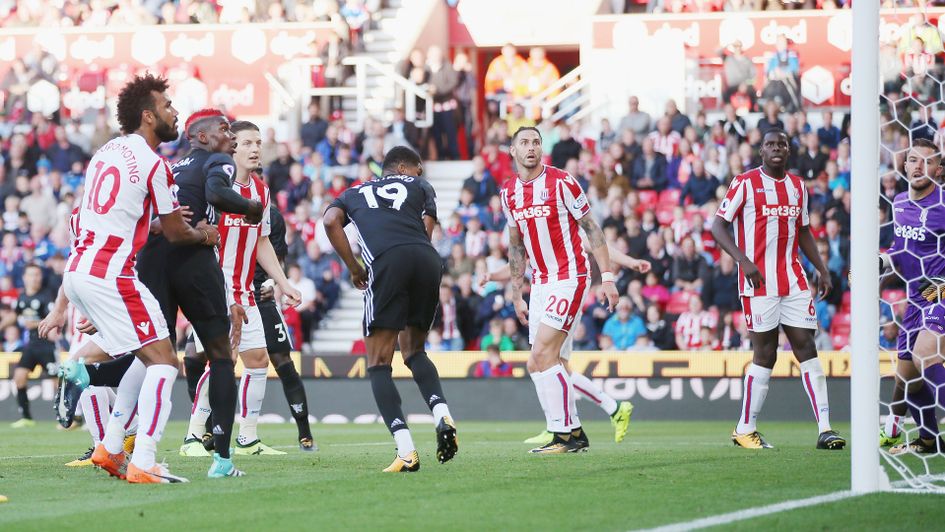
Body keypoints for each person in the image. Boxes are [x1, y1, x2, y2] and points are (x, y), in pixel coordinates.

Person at [59, 74, 219, 484]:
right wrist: (204, 233)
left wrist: (157, 222)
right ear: (148, 116)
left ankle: (110, 448)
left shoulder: (104, 152)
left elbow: (95, 216)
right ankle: (143, 460)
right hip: (112, 273)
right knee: (165, 360)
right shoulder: (155, 164)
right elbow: (180, 232)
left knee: (148, 354)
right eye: (167, 106)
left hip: (80, 269)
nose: (175, 112)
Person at [136, 107, 265, 478]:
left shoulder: (167, 167)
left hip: (152, 261)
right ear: (203, 137)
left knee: (149, 354)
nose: (232, 136)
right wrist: (250, 207)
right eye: (225, 130)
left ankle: (114, 428)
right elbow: (218, 193)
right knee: (221, 356)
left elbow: (143, 216)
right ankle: (222, 460)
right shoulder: (218, 160)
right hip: (193, 258)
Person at [323, 146, 458, 472]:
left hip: (387, 262)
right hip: (427, 260)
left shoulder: (353, 191)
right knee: (414, 351)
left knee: (379, 362)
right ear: (401, 167)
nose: (421, 175)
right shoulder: (421, 187)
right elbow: (427, 230)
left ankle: (406, 450)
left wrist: (354, 268)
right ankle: (442, 414)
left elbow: (330, 221)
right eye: (418, 169)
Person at [711, 128, 845, 451]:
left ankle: (825, 428)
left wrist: (822, 269)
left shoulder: (798, 186)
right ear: (761, 151)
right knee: (765, 354)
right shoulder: (744, 183)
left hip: (794, 279)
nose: (776, 148)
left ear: (788, 150)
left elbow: (803, 231)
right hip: (758, 283)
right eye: (770, 144)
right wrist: (744, 261)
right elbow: (717, 225)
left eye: (781, 144)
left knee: (806, 348)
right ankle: (745, 428)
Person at [178, 121, 303, 458]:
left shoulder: (261, 192)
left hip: (243, 291)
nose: (255, 149)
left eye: (258, 142)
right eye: (247, 142)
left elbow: (261, 241)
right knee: (221, 361)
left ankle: (247, 438)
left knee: (258, 360)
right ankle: (192, 437)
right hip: (214, 289)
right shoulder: (217, 186)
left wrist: (284, 282)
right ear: (231, 148)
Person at [501, 126, 619, 454]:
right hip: (539, 283)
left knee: (543, 355)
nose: (531, 148)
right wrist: (516, 293)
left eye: (536, 142)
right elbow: (516, 246)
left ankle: (565, 435)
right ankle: (576, 429)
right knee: (540, 362)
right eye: (524, 143)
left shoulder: (563, 182)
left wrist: (606, 276)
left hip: (570, 276)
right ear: (513, 150)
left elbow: (592, 230)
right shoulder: (508, 193)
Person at [479, 240, 648, 444]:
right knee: (538, 364)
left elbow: (596, 243)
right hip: (541, 292)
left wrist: (630, 262)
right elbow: (518, 262)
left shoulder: (560, 221)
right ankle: (564, 424)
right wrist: (493, 276)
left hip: (564, 289)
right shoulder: (530, 223)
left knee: (549, 362)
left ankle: (569, 424)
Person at [879, 138, 945, 455]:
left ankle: (896, 431)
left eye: (926, 161)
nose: (918, 166)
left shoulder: (943, 204)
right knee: (907, 378)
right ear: (904, 165)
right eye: (913, 159)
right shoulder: (900, 202)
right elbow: (899, 250)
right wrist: (882, 261)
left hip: (940, 292)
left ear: (938, 169)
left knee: (924, 355)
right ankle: (928, 439)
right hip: (916, 298)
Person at [6, 264, 56, 429]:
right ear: (25, 277)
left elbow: (54, 319)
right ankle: (26, 417)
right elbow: (15, 314)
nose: (35, 278)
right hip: (31, 346)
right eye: (31, 275)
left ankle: (73, 417)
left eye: (37, 275)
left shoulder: (46, 296)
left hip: (47, 346)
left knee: (58, 382)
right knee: (19, 377)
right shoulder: (22, 297)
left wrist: (34, 324)